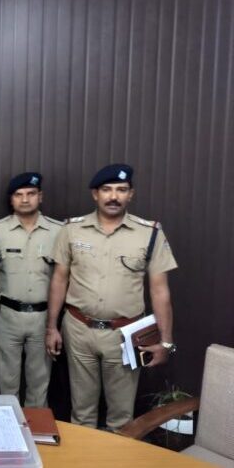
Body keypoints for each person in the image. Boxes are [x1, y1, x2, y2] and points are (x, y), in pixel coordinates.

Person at [45, 164, 178, 430]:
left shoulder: (149, 233)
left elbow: (160, 290)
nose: (114, 196)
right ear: (95, 194)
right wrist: (51, 327)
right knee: (82, 412)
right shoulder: (72, 230)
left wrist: (165, 342)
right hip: (78, 329)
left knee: (121, 417)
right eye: (107, 190)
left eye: (121, 190)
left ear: (131, 194)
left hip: (124, 335)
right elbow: (59, 279)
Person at [0, 172, 62, 407]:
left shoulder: (58, 231)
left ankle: (36, 428)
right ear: (11, 200)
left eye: (31, 194)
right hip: (7, 316)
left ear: (40, 196)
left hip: (43, 318)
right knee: (6, 383)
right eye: (19, 195)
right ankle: (9, 428)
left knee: (39, 384)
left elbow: (64, 277)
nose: (25, 199)